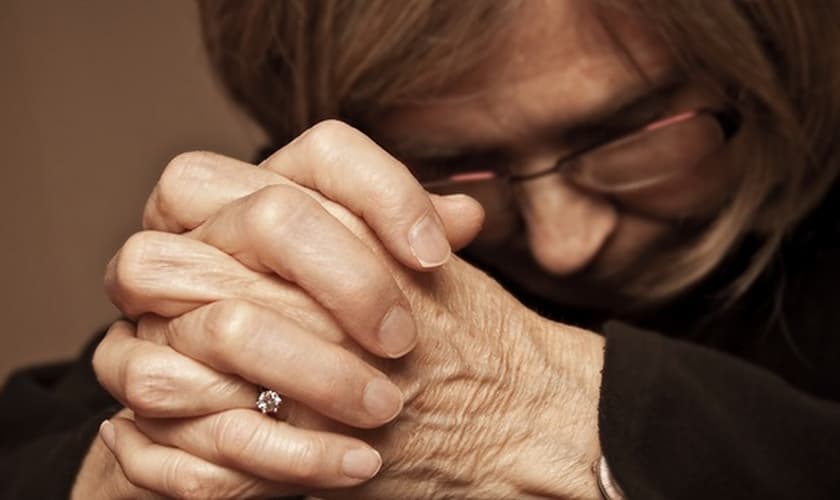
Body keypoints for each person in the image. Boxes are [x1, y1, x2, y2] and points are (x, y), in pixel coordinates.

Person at [2, 0, 840, 498]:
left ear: (764, 57)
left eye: (630, 132)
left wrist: (553, 414)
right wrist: (145, 465)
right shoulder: (337, 201)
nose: (564, 243)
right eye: (456, 167)